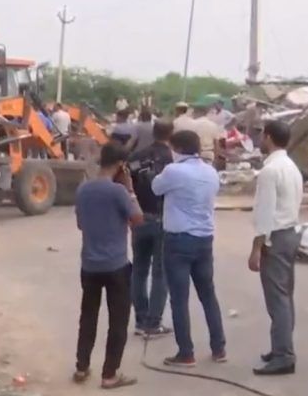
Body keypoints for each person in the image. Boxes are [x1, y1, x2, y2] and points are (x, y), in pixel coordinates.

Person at [151, 130, 226, 367]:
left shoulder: (173, 171)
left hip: (179, 240)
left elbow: (155, 188)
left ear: (178, 149)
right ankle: (219, 348)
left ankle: (186, 352)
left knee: (179, 299)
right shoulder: (210, 171)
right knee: (208, 295)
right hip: (204, 239)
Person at [73, 142, 142, 389]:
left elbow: (81, 224)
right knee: (118, 320)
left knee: (88, 315)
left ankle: (82, 367)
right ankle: (110, 374)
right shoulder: (119, 192)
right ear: (121, 166)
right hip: (116, 266)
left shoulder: (83, 190)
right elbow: (137, 219)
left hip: (90, 265)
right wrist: (131, 189)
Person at [250, 120, 303, 376]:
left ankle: (283, 355)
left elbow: (265, 212)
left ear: (268, 137)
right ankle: (281, 347)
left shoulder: (270, 171)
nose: (260, 140)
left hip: (276, 236)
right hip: (290, 233)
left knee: (277, 299)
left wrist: (256, 247)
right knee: (285, 295)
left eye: (262, 136)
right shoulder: (290, 166)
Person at [128, 121, 174, 337]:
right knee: (160, 272)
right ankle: (153, 323)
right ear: (171, 134)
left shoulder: (135, 158)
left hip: (139, 217)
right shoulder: (172, 160)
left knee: (139, 270)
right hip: (163, 218)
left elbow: (126, 186)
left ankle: (140, 319)